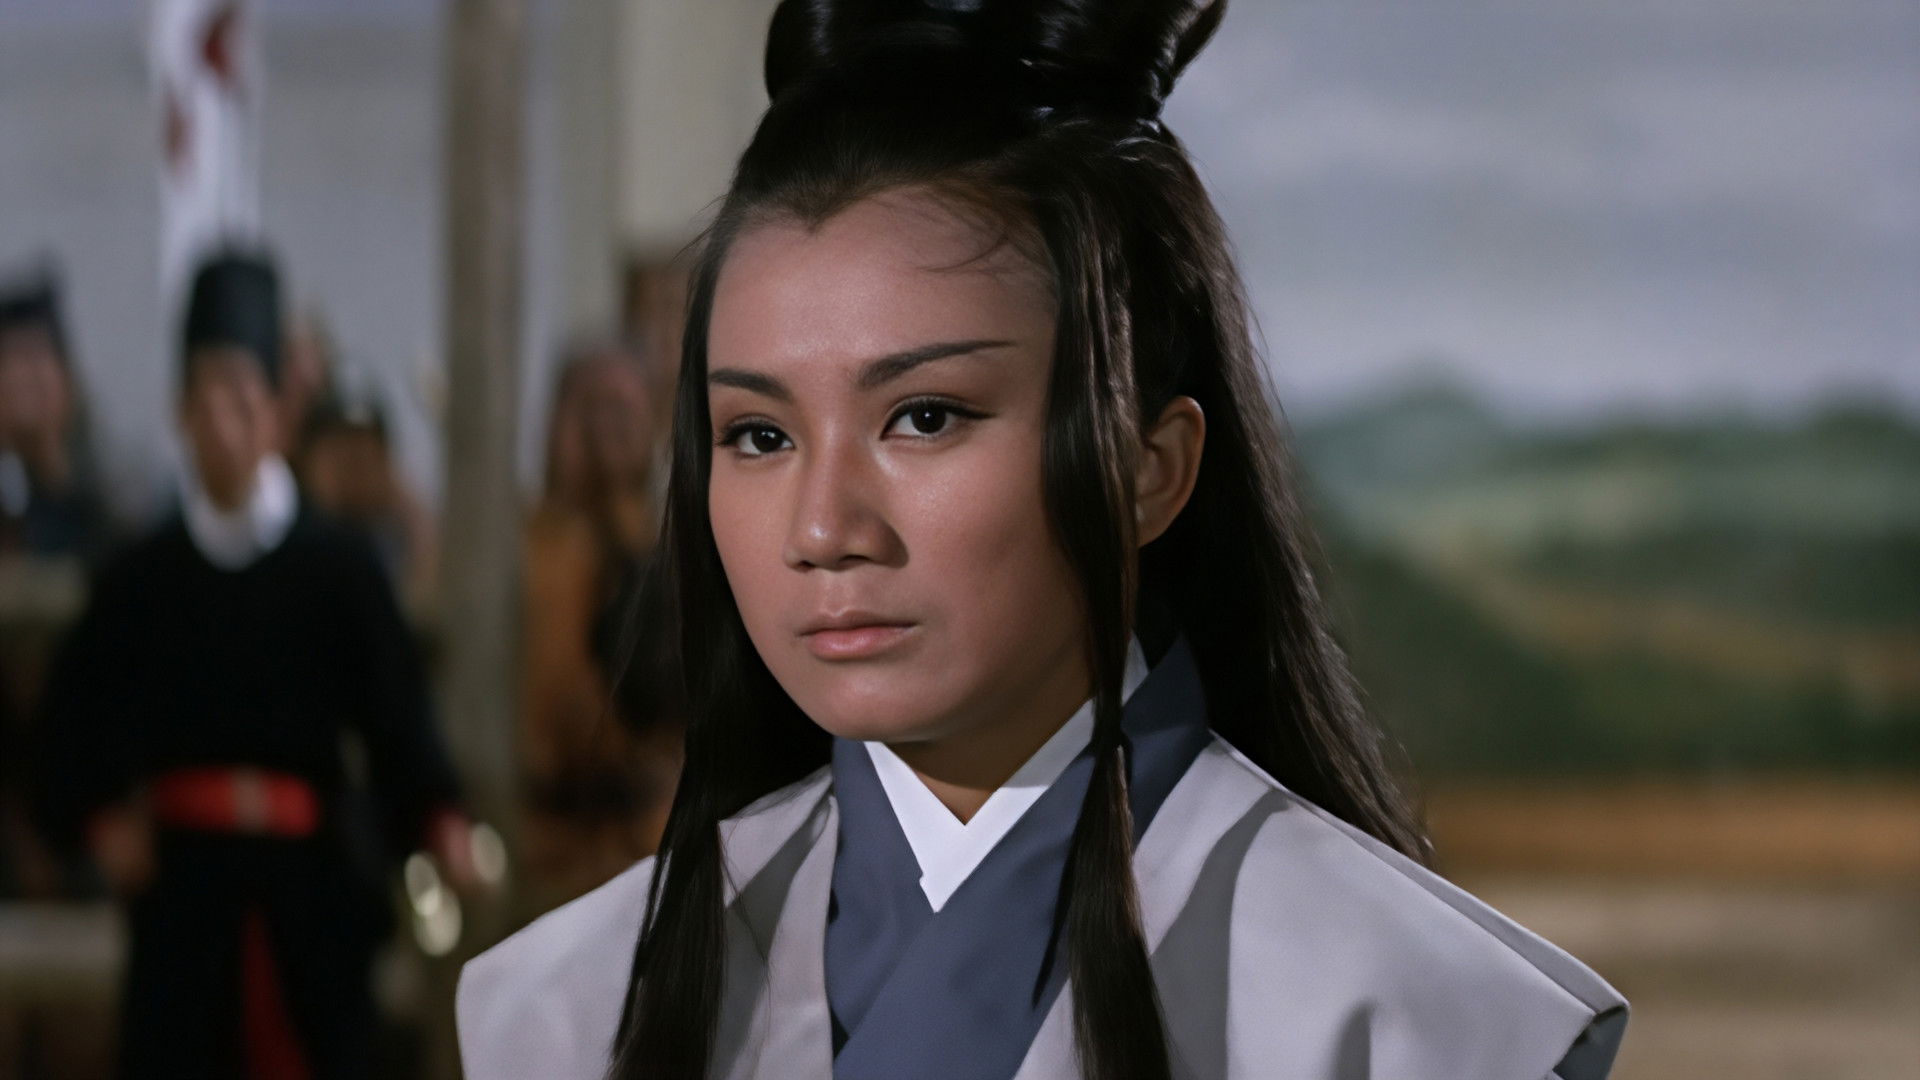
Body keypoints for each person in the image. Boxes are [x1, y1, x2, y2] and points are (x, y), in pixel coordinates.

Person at [456, 2, 1630, 1078]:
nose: (822, 529)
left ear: (1147, 467)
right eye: (759, 435)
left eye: (925, 417)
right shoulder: (572, 1011)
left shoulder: (1399, 1022)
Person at [33, 248, 476, 1079]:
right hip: (179, 899)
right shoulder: (140, 578)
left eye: (242, 398)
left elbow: (397, 719)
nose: (224, 422)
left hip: (309, 896)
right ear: (179, 412)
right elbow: (66, 729)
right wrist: (99, 825)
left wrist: (437, 815)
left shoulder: (337, 570)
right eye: (205, 399)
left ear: (276, 412)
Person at [520, 343, 680, 910]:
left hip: (651, 845)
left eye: (622, 410)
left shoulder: (674, 548)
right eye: (592, 408)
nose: (606, 428)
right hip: (554, 849)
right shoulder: (537, 548)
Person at [0, 269, 110, 561]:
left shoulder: (108, 508)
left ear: (67, 381)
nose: (21, 378)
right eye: (8, 363)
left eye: (35, 359)